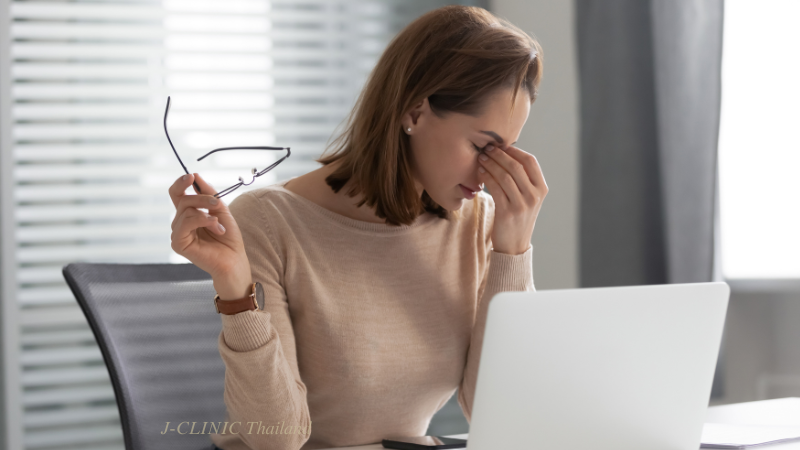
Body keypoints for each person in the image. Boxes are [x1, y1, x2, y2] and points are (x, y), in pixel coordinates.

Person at [168, 5, 546, 450]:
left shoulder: (479, 222)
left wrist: (512, 252)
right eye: (484, 145)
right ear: (414, 111)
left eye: (508, 150)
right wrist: (235, 291)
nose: (490, 172)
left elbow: (498, 414)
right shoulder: (271, 221)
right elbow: (278, 440)